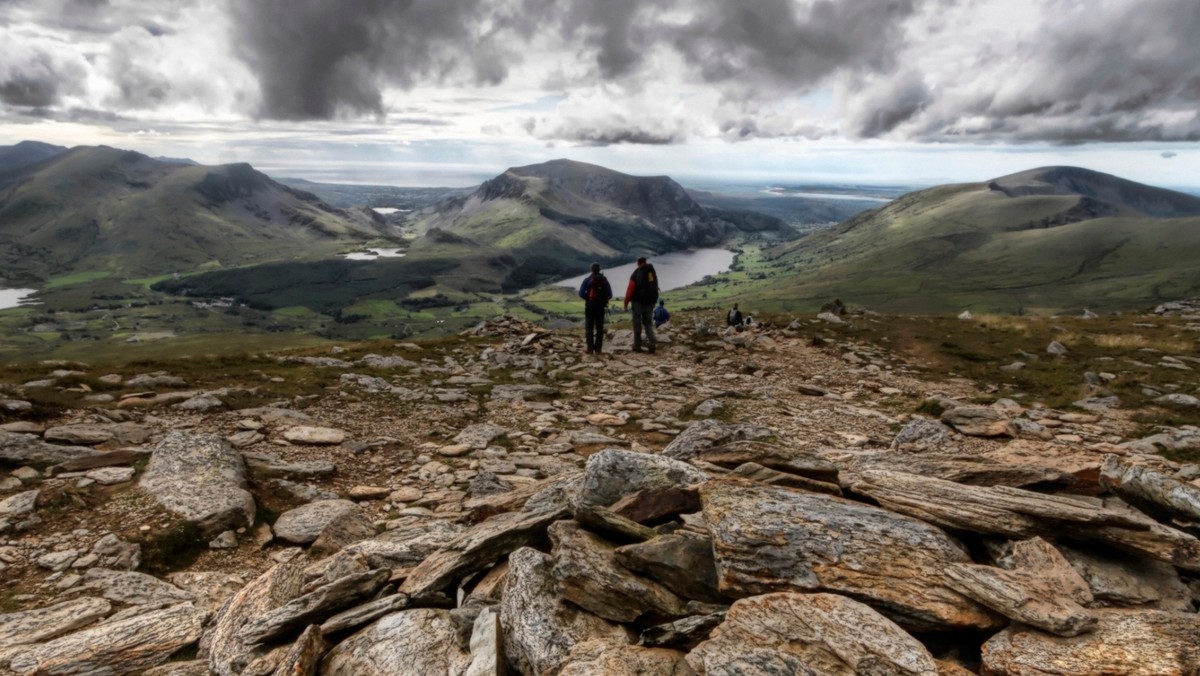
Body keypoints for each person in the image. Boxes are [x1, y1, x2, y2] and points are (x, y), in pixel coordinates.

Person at [623, 256, 659, 353]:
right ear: (645, 262)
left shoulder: (635, 274)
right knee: (648, 323)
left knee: (637, 324)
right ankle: (652, 344)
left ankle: (637, 345)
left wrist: (626, 303)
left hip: (638, 303)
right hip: (650, 302)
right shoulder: (651, 271)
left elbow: (630, 290)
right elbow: (654, 285)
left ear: (638, 263)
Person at [578, 262, 613, 354]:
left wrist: (588, 298)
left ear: (591, 269)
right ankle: (598, 349)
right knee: (599, 328)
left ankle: (590, 349)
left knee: (589, 328)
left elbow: (581, 293)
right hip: (600, 307)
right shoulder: (604, 280)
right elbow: (610, 294)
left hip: (590, 307)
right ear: (599, 269)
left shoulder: (587, 280)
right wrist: (602, 300)